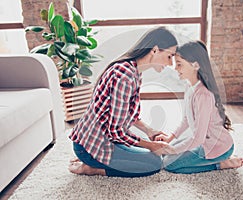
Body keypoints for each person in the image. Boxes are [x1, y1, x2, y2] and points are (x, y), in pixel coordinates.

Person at [68, 26, 177, 177]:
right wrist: (151, 145)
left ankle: (94, 158)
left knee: (149, 149)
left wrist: (150, 131)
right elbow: (116, 131)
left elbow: (127, 115)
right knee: (154, 163)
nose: (171, 63)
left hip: (102, 139)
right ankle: (90, 167)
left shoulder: (134, 71)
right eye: (170, 56)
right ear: (155, 50)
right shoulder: (125, 75)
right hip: (93, 145)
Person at [155, 40, 243, 174]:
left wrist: (172, 150)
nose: (175, 68)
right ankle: (177, 150)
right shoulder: (189, 87)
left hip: (217, 148)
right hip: (204, 143)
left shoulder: (203, 95)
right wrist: (170, 139)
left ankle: (220, 164)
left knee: (168, 164)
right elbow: (186, 119)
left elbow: (198, 139)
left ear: (195, 65)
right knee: (166, 152)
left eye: (179, 64)